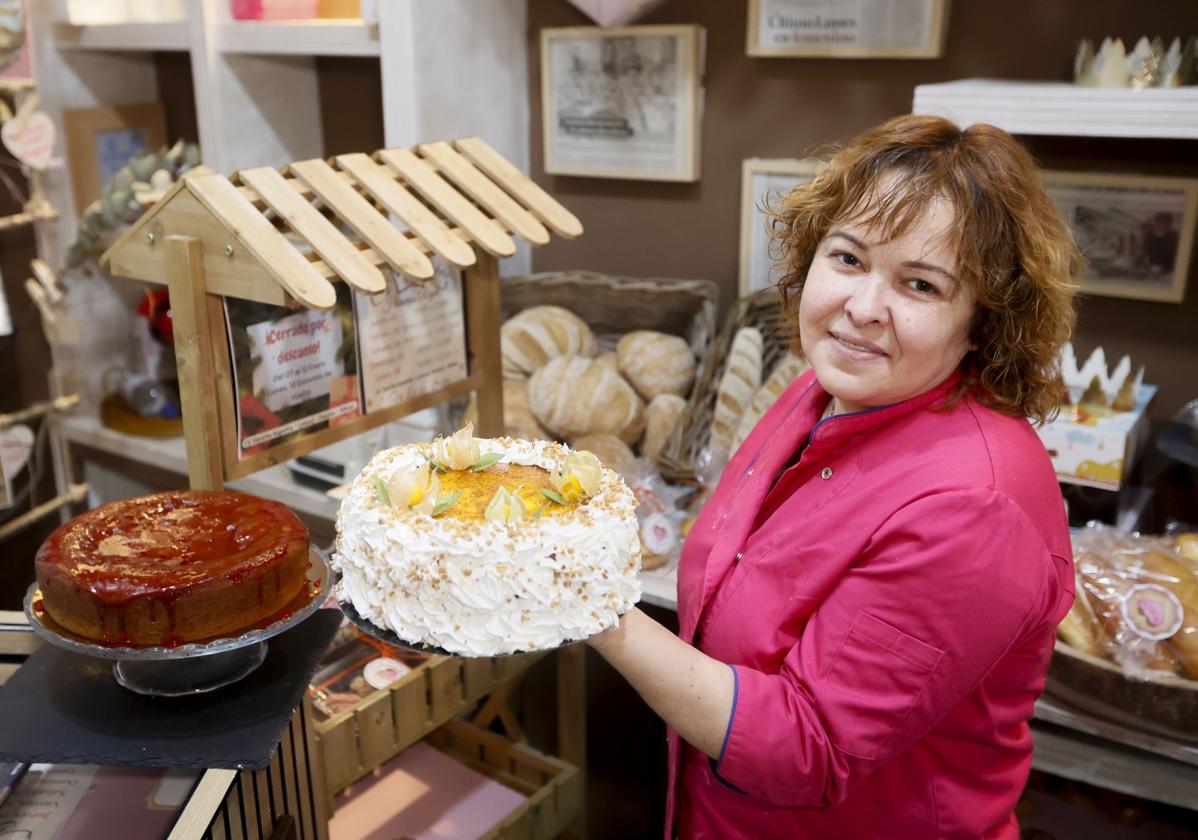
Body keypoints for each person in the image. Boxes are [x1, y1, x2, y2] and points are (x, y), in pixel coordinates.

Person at [588, 114, 1083, 839]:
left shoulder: (976, 505)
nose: (861, 308)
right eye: (848, 258)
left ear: (982, 320)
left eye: (919, 284)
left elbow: (804, 748)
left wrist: (591, 607)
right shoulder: (823, 389)